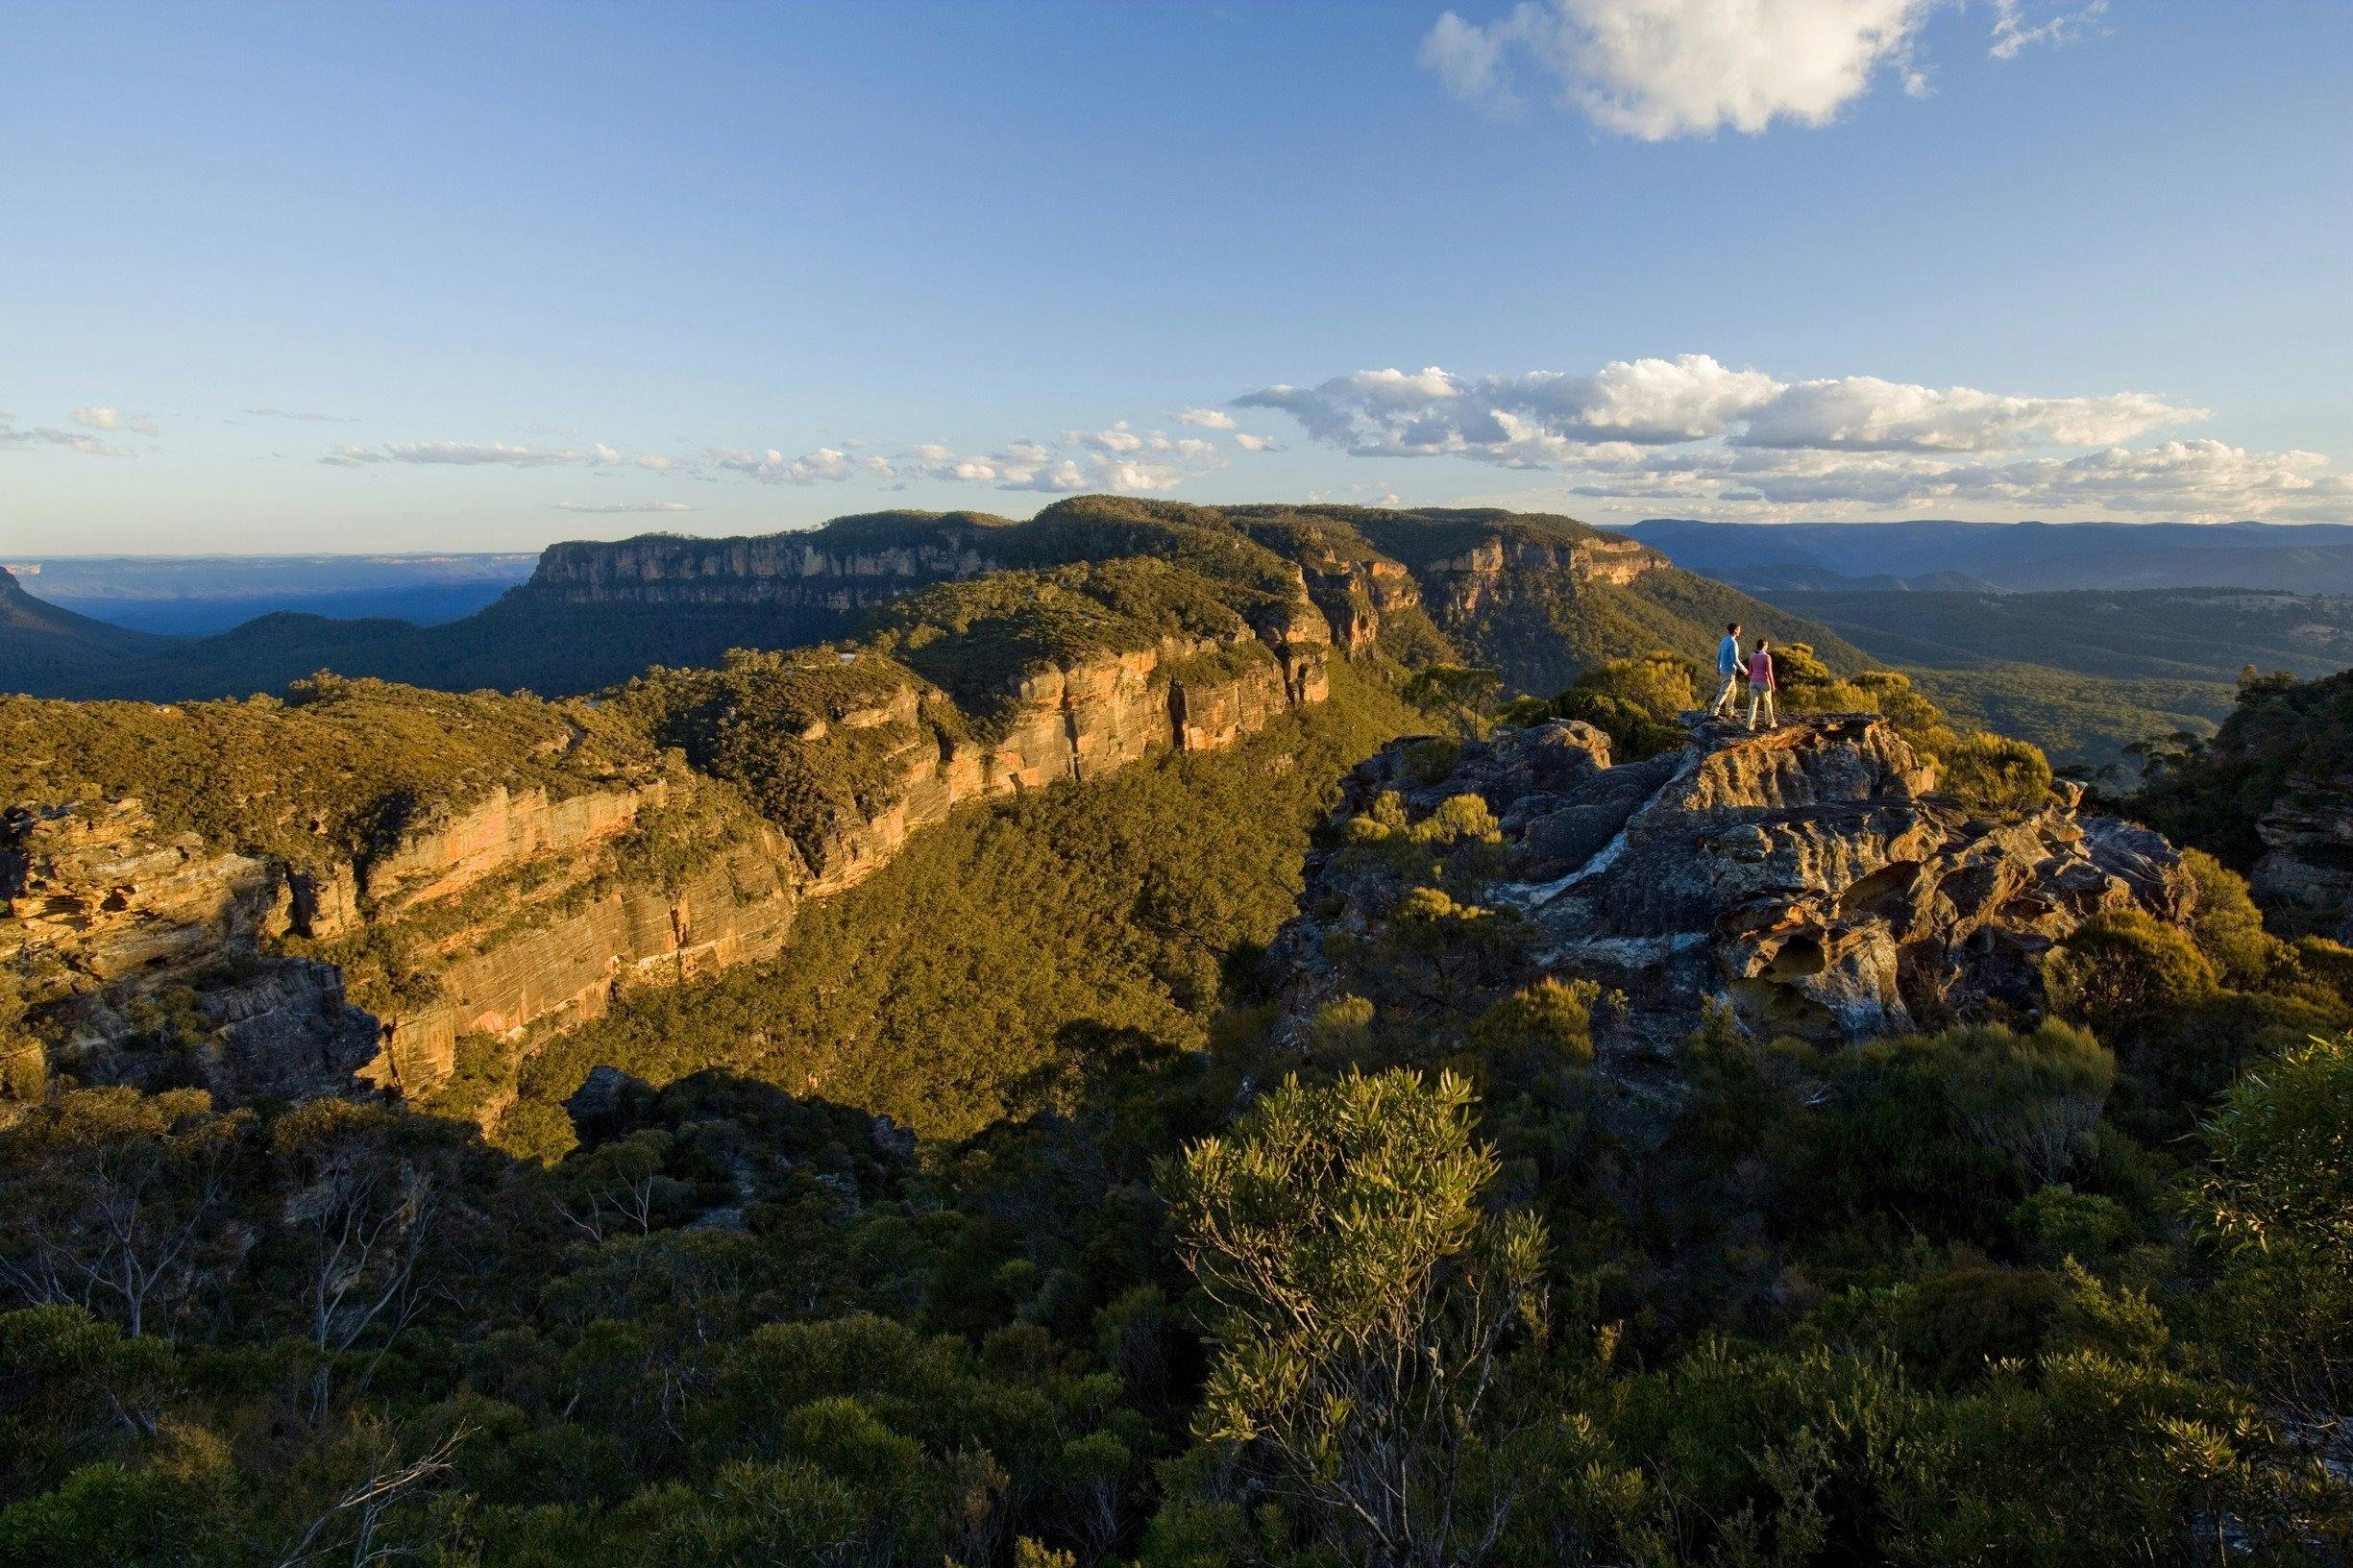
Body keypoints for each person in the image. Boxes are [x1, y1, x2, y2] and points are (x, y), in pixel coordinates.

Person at [1711, 622, 1744, 719]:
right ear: (1735, 630)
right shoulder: (1733, 642)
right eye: (1739, 629)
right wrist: (1744, 670)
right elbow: (1735, 659)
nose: (1740, 631)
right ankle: (1714, 712)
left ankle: (1729, 711)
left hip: (1723, 670)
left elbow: (1719, 655)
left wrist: (1718, 668)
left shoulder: (1724, 640)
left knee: (1733, 691)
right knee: (1724, 692)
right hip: (1729, 671)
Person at [1747, 637, 1777, 730]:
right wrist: (1773, 685)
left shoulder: (1752, 656)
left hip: (1753, 681)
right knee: (1767, 702)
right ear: (1764, 646)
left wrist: (1751, 680)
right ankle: (1770, 722)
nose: (1767, 646)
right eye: (1767, 645)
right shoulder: (1766, 657)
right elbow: (1769, 672)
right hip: (1763, 681)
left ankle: (1750, 725)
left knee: (1753, 703)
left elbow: (1750, 671)